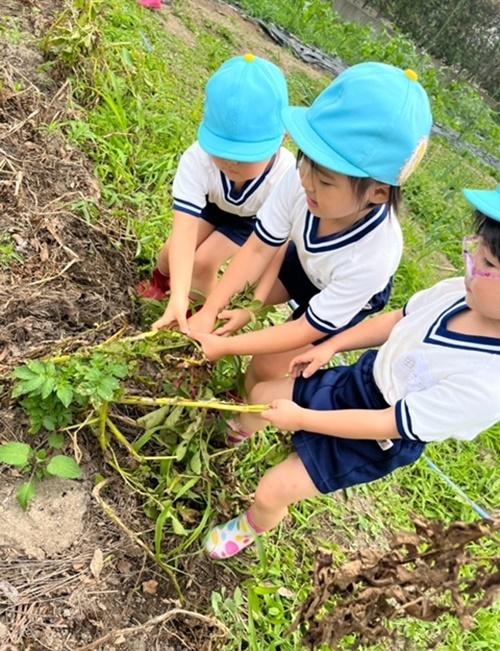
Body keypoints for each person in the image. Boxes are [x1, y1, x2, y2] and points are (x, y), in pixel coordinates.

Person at [202, 185, 500, 559]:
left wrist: (304, 417)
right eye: (475, 253)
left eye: (487, 266)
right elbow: (397, 319)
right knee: (261, 397)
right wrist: (332, 345)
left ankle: (250, 526)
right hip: (361, 380)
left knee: (273, 490)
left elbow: (387, 424)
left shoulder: (487, 382)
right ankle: (235, 435)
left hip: (375, 439)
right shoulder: (456, 293)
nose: (471, 269)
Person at [189, 63, 432, 400]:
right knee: (238, 302)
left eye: (326, 180)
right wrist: (210, 310)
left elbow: (306, 327)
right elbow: (259, 249)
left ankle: (240, 414)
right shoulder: (304, 180)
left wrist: (225, 346)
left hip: (341, 292)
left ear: (378, 193)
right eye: (307, 164)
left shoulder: (374, 256)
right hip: (303, 261)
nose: (307, 183)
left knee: (269, 366)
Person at [138, 54, 294, 333]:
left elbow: (271, 246)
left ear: (282, 138)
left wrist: (252, 303)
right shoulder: (198, 159)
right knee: (168, 254)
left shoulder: (285, 176)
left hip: (251, 221)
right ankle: (163, 286)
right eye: (221, 152)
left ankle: (194, 320)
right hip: (213, 205)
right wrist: (176, 293)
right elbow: (184, 232)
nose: (232, 164)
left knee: (203, 262)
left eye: (246, 157)